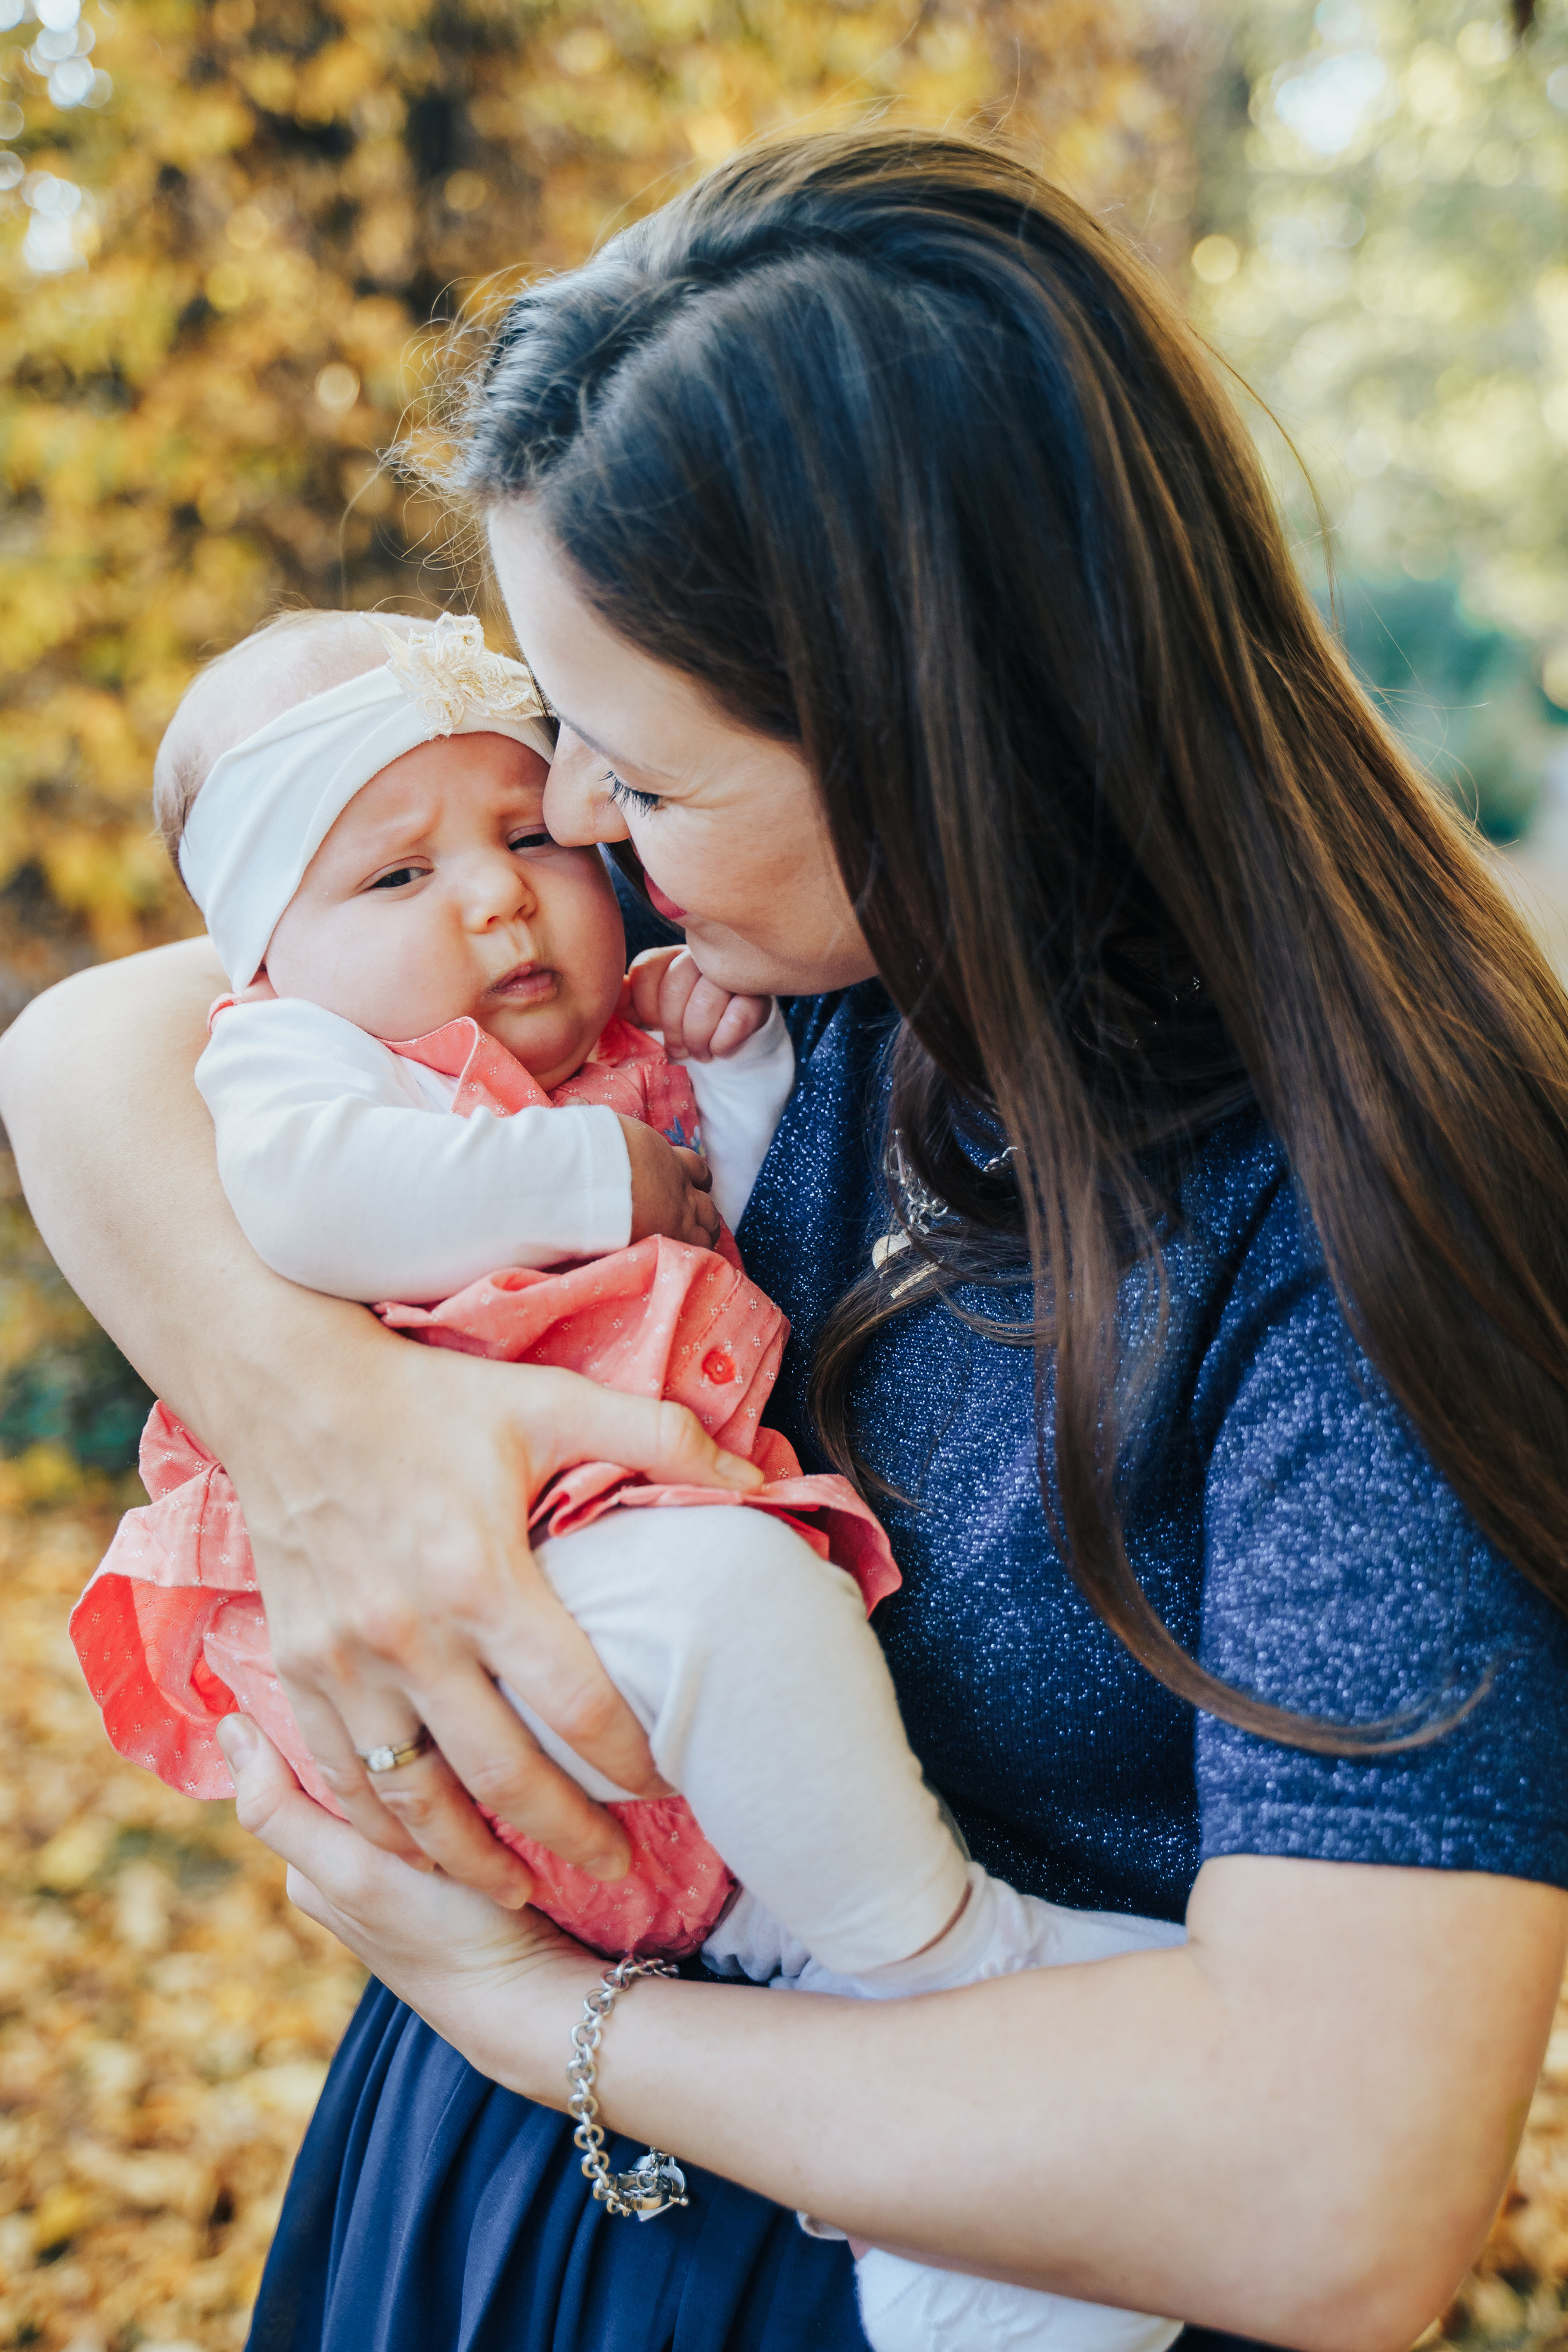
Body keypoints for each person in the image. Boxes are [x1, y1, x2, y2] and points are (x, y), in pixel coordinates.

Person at [5, 126, 1568, 2352]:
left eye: (628, 775)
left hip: (977, 2263)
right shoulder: (745, 919)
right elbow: (104, 1044)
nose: (566, 836)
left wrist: (545, 2020)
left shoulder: (1371, 1220)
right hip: (471, 2224)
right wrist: (319, 1420)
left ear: (939, 737)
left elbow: (1341, 2196)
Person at [70, 597, 1188, 2348]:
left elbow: (747, 1229)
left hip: (624, 1582)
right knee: (745, 1601)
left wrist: (727, 1080)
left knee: (761, 1646)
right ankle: (958, 1967)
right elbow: (306, 1199)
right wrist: (597, 1176)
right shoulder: (302, 1058)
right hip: (509, 1590)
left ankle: (916, 2172)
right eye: (395, 877)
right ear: (262, 952)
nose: (504, 892)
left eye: (525, 833)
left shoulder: (647, 1017)